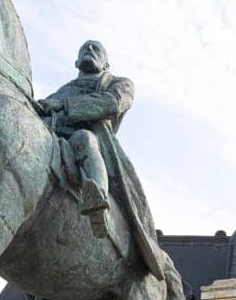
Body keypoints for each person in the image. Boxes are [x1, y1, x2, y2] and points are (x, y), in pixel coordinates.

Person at [32, 40, 163, 280]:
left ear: (106, 63)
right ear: (75, 62)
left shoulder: (119, 84)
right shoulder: (63, 89)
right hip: (53, 140)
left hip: (90, 144)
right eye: (84, 48)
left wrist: (63, 105)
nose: (89, 51)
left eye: (96, 49)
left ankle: (97, 200)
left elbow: (112, 103)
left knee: (84, 139)